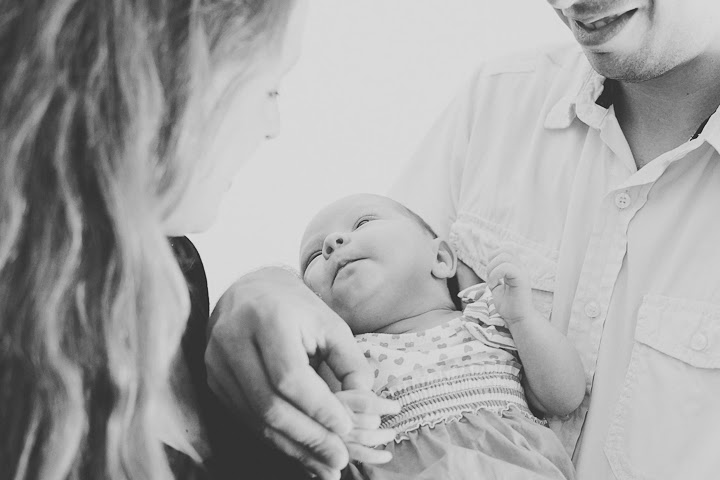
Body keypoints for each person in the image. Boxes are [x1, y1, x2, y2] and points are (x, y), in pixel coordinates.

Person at [204, 0, 720, 479]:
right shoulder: (500, 97)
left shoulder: (493, 320)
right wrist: (261, 291)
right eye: (316, 255)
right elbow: (381, 270)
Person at [0, 1, 387, 480]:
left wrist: (266, 286)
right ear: (166, 71)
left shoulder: (175, 266)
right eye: (270, 87)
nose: (274, 126)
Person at [299, 193, 582, 479]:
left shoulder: (488, 320)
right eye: (313, 257)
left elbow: (564, 399)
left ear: (440, 258)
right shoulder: (345, 362)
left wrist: (522, 318)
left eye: (362, 223)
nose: (331, 243)